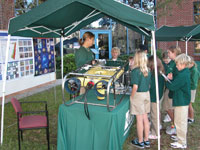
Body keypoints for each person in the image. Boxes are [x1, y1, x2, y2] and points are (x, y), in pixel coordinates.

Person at [166, 53, 190, 149]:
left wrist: (167, 80)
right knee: (178, 120)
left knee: (181, 122)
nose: (176, 66)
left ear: (183, 64)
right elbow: (175, 82)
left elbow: (173, 86)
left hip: (182, 101)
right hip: (180, 100)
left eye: (178, 64)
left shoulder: (183, 75)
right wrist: (172, 78)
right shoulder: (183, 72)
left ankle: (182, 142)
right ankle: (180, 137)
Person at [130, 51, 151, 148]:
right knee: (145, 118)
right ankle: (146, 139)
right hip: (147, 94)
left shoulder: (135, 71)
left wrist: (131, 96)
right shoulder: (148, 70)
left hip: (138, 95)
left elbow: (135, 86)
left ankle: (140, 141)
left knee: (139, 120)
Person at [165, 46, 182, 135]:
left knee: (168, 107)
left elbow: (177, 77)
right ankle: (173, 124)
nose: (168, 54)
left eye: (169, 53)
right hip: (169, 87)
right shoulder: (171, 62)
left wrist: (170, 78)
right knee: (167, 107)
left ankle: (175, 126)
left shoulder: (177, 63)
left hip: (172, 89)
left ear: (174, 53)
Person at [148, 56, 165, 140]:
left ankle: (155, 133)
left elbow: (151, 86)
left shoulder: (154, 74)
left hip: (155, 97)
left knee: (154, 115)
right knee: (156, 113)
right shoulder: (160, 72)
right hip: (159, 95)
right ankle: (158, 126)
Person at [188, 56, 199, 124]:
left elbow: (194, 83)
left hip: (191, 89)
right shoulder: (189, 69)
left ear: (192, 63)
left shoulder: (194, 70)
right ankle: (188, 117)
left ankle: (191, 118)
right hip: (188, 88)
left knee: (189, 104)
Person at [161, 51, 172, 123]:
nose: (166, 62)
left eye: (167, 60)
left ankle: (170, 116)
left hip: (170, 86)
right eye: (164, 61)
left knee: (168, 104)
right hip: (166, 85)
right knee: (166, 103)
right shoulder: (163, 64)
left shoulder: (173, 64)